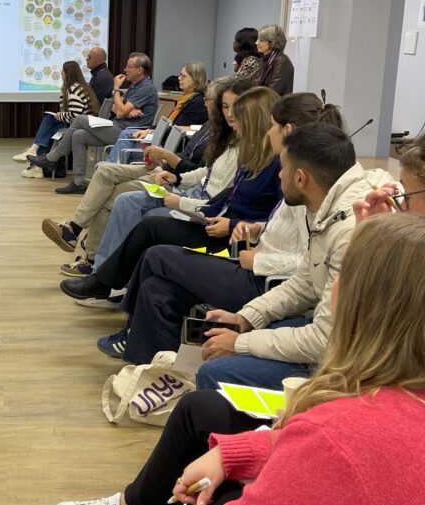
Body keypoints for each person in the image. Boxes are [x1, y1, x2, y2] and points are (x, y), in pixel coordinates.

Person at [76, 212, 425, 505]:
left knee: (214, 498)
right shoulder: (391, 406)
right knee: (164, 291)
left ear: (356, 299)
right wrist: (234, 453)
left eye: (342, 274)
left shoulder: (343, 435)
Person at [113, 94, 346, 364]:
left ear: (288, 131)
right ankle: (162, 374)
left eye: (272, 125)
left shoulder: (301, 184)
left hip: (260, 278)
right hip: (251, 263)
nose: (234, 122)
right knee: (157, 289)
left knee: (157, 254)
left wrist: (260, 258)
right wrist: (257, 229)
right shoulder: (282, 170)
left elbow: (307, 264)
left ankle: (127, 327)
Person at [191, 123, 392, 390]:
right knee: (236, 338)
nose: (279, 176)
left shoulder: (350, 229)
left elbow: (324, 341)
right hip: (331, 340)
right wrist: (248, 317)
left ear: (300, 178)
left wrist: (240, 344)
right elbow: (305, 282)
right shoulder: (328, 207)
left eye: (282, 169)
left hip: (349, 364)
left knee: (214, 371)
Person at [61, 87, 283, 310]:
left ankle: (104, 276)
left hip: (218, 224)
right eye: (223, 106)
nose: (229, 115)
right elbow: (216, 187)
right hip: (204, 208)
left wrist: (187, 202)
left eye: (236, 111)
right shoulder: (242, 150)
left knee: (137, 209)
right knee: (118, 193)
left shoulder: (264, 161)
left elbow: (240, 206)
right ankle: (100, 270)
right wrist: (177, 180)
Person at [41, 78, 253, 275]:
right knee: (104, 170)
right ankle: (78, 234)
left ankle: (93, 261)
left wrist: (168, 160)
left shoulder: (230, 138)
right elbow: (203, 170)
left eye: (211, 100)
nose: (211, 105)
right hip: (171, 173)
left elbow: (201, 176)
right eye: (224, 106)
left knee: (113, 192)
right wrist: (166, 162)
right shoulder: (213, 129)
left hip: (177, 179)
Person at [27, 53, 159, 195]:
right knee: (78, 135)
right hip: (118, 126)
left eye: (129, 67)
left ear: (140, 70)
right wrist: (126, 108)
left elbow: (120, 112)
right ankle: (78, 182)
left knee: (79, 119)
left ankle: (52, 158)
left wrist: (116, 90)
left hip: (128, 134)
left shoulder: (146, 87)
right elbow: (115, 107)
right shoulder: (135, 86)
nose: (125, 69)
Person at [105, 61, 208, 164]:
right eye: (180, 75)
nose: (179, 78)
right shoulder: (185, 99)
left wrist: (150, 132)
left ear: (195, 80)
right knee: (127, 137)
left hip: (168, 148)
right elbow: (169, 124)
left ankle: (109, 168)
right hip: (162, 140)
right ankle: (111, 168)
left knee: (127, 137)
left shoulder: (197, 102)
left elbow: (176, 128)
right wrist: (149, 130)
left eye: (183, 76)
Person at [13, 61, 99, 176]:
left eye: (62, 71)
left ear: (68, 73)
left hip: (80, 127)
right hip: (82, 125)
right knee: (50, 127)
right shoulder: (81, 86)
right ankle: (37, 162)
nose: (60, 73)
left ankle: (36, 159)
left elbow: (74, 115)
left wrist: (59, 115)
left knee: (49, 121)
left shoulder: (73, 89)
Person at [254, 23, 294, 95]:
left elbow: (272, 92)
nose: (256, 43)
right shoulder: (265, 59)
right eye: (257, 39)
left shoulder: (282, 61)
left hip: (276, 105)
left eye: (261, 40)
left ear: (272, 42)